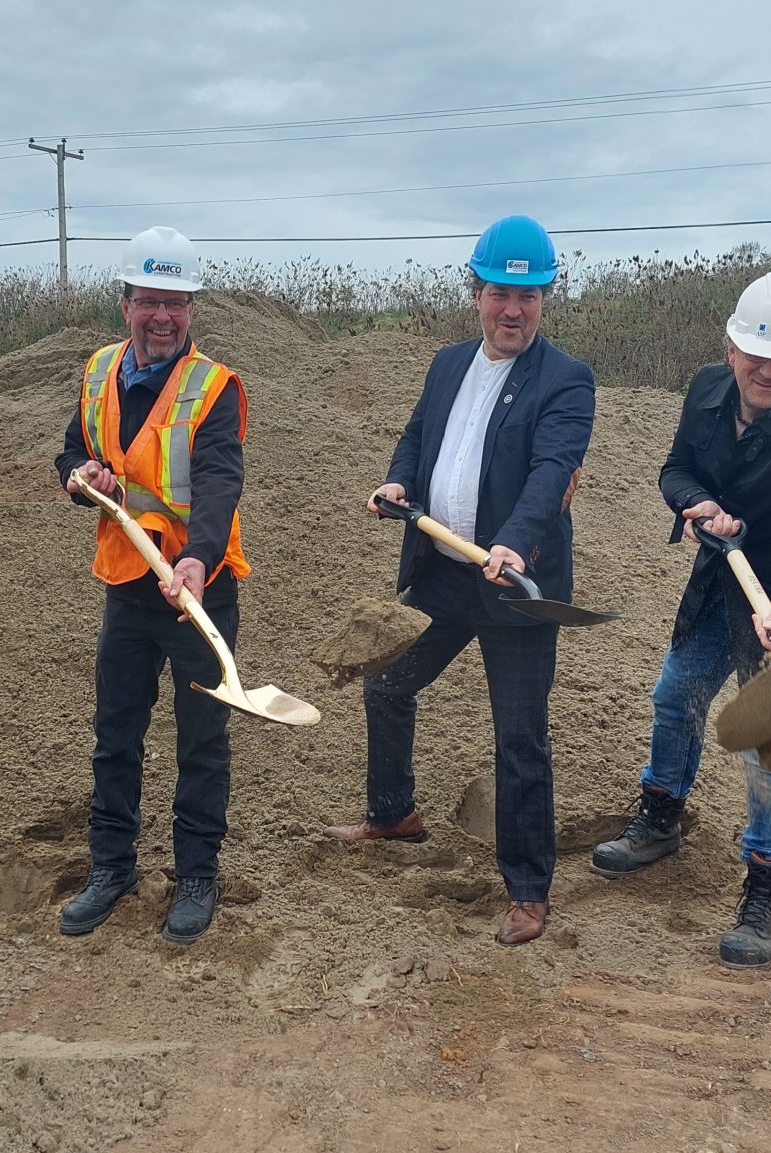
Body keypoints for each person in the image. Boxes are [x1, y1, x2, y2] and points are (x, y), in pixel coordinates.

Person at [323, 215, 597, 947]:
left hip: (513, 585)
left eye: (528, 296)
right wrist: (398, 480)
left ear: (544, 298)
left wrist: (514, 540)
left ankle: (528, 890)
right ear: (476, 292)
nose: (513, 309)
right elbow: (420, 436)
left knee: (519, 738)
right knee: (387, 684)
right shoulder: (448, 364)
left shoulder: (566, 380)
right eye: (500, 293)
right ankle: (394, 814)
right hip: (443, 573)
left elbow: (551, 472)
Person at [590, 268, 771, 970]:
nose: (767, 371)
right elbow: (676, 469)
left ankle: (769, 887)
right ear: (732, 347)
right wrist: (699, 505)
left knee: (766, 741)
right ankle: (661, 817)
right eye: (756, 355)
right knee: (675, 695)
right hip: (721, 576)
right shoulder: (708, 390)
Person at [54, 226, 249, 948]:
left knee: (202, 739)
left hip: (200, 590)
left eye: (175, 303)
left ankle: (197, 874)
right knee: (116, 733)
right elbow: (71, 450)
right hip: (127, 584)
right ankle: (112, 866)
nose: (162, 316)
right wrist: (81, 478)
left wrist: (197, 558)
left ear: (190, 310)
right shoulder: (98, 370)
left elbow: (221, 479)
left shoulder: (213, 387)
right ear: (126, 304)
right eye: (148, 301)